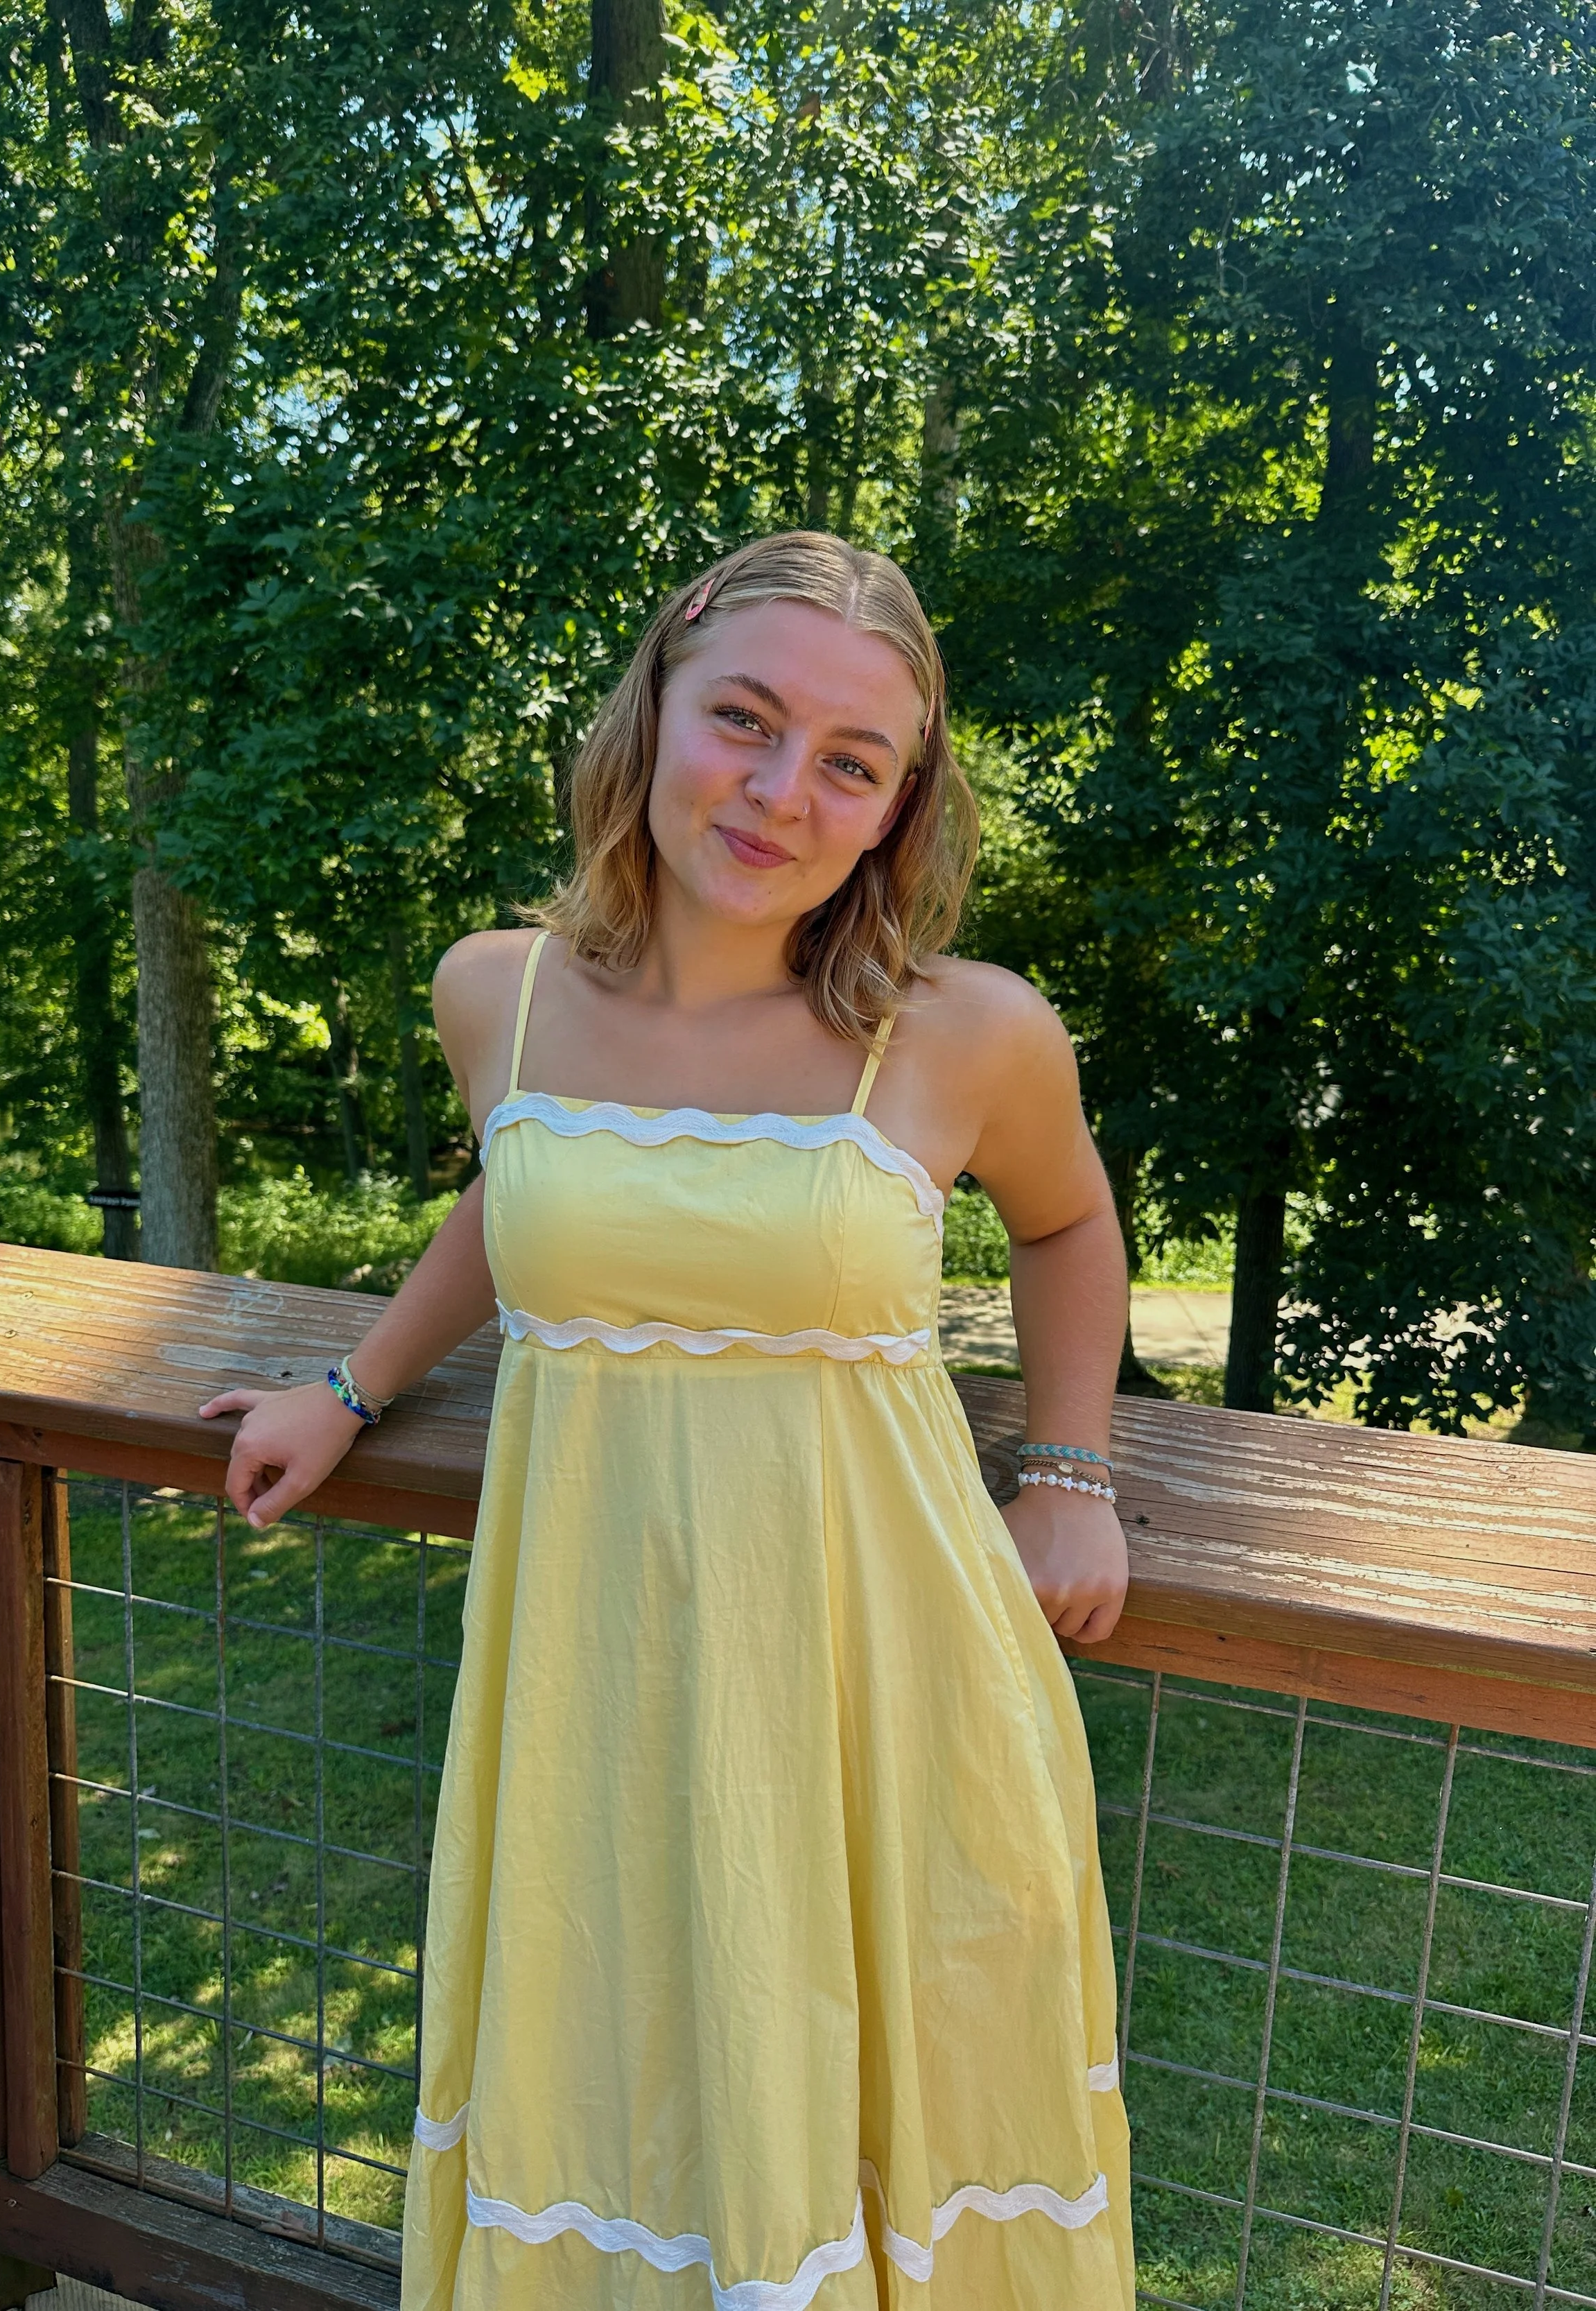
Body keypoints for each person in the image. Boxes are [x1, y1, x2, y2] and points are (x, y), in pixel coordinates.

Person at [201, 530, 1136, 2309]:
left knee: (879, 2094)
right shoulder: (501, 989)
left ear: (895, 810)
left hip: (883, 1663)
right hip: (594, 1671)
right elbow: (519, 1195)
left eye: (849, 765)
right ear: (656, 705)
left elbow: (1069, 1221)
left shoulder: (967, 1035)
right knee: (622, 2071)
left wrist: (1070, 1474)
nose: (781, 791)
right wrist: (351, 1384)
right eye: (747, 722)